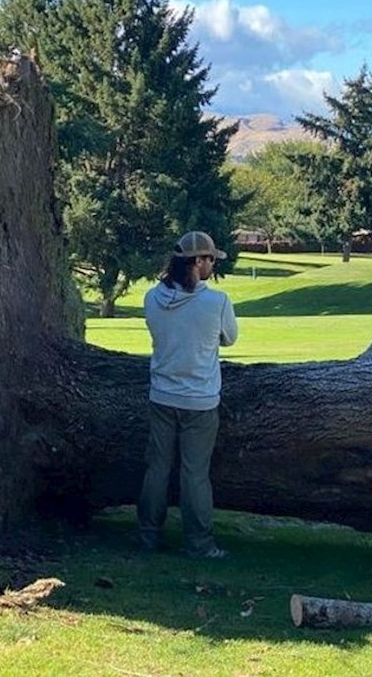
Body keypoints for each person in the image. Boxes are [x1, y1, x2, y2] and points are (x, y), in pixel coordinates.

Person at [138, 231, 238, 559]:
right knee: (194, 473)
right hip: (200, 400)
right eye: (210, 259)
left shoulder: (152, 298)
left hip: (162, 395)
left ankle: (148, 536)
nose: (213, 265)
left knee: (157, 468)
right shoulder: (217, 302)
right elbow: (230, 339)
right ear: (197, 261)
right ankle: (199, 543)